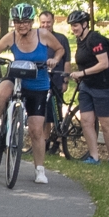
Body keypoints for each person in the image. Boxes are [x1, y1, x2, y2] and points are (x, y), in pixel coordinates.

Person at [0, 4, 65, 184]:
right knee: (2, 92)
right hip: (16, 76)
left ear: (32, 22)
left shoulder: (43, 35)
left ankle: (39, 170)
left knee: (36, 129)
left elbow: (60, 49)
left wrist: (54, 60)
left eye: (25, 22)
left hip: (38, 83)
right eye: (18, 22)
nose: (21, 26)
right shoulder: (11, 36)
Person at [66, 10, 109, 166]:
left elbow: (104, 64)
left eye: (76, 25)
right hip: (87, 86)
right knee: (86, 121)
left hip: (104, 86)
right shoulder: (80, 40)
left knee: (105, 123)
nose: (73, 28)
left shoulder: (94, 39)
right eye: (72, 26)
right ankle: (94, 157)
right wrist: (81, 76)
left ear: (84, 24)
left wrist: (81, 73)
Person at [39, 10, 72, 153]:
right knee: (44, 114)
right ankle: (45, 141)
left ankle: (57, 143)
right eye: (43, 22)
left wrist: (65, 80)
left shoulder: (61, 39)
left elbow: (67, 61)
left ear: (53, 22)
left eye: (48, 22)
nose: (46, 25)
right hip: (41, 80)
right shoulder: (36, 38)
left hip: (57, 79)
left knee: (57, 111)